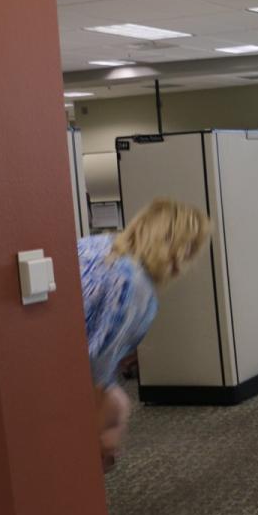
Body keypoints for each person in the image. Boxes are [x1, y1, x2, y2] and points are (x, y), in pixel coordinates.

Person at [81, 198, 209, 472]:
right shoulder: (135, 285)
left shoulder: (97, 245)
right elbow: (94, 365)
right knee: (114, 408)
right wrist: (100, 431)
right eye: (188, 248)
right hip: (51, 376)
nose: (187, 260)